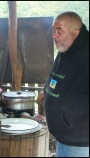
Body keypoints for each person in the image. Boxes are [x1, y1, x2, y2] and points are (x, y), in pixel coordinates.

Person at [37, 11, 89, 157]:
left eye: (59, 31)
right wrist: (46, 91)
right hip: (65, 134)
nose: (54, 35)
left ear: (75, 33)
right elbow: (56, 76)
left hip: (79, 140)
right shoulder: (66, 49)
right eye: (54, 31)